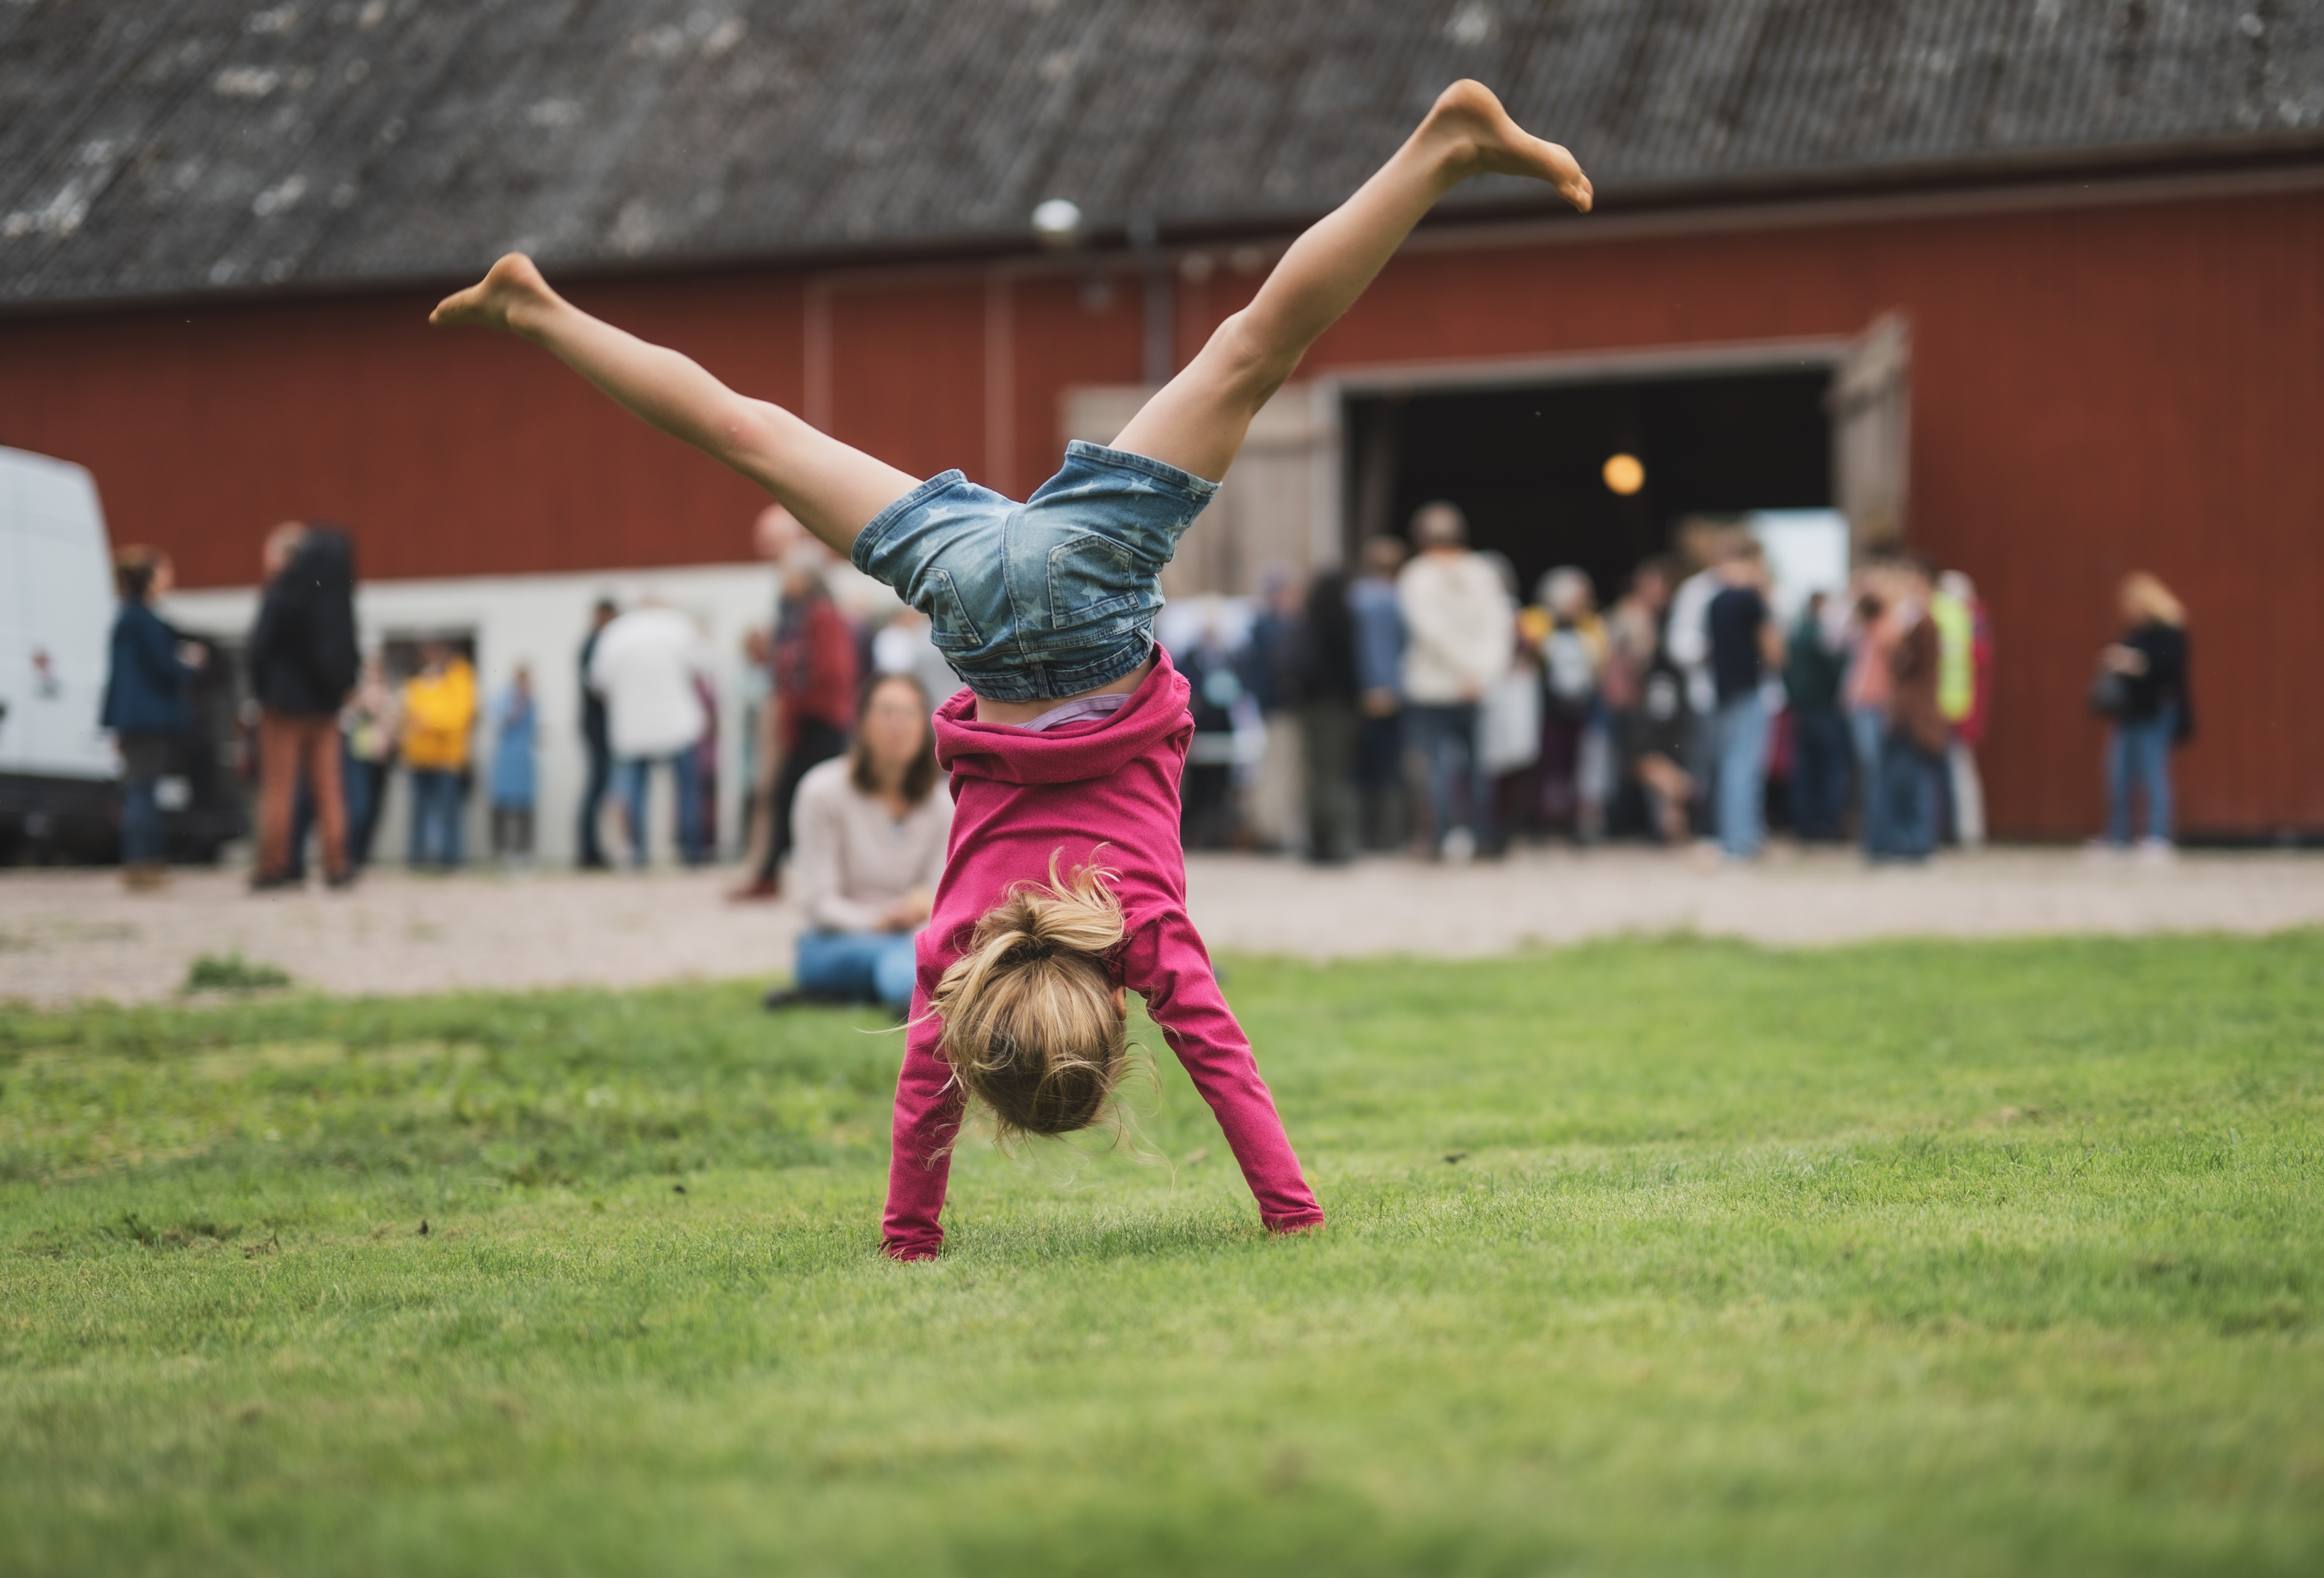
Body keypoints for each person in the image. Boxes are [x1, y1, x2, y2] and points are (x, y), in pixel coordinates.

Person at [430, 75, 1592, 1257]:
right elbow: (918, 1102)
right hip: (974, 601)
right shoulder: (958, 946)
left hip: (1090, 590)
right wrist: (907, 1232)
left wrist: (1293, 1210)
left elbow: (1227, 1068)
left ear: (1103, 1019)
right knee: (753, 433)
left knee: (1252, 348)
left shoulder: (1138, 933)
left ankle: (1442, 147)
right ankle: (540, 311)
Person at [763, 673, 954, 1016]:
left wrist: (915, 914)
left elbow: (938, 896)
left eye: (911, 712)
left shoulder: (942, 804)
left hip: (911, 936)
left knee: (918, 952)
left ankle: (891, 990)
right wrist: (881, 919)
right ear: (862, 721)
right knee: (899, 959)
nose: (899, 724)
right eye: (887, 711)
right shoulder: (822, 791)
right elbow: (820, 902)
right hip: (833, 940)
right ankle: (915, 994)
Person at [737, 526, 859, 896]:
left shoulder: (819, 614)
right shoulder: (801, 615)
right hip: (808, 720)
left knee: (798, 796)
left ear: (805, 579)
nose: (782, 582)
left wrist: (800, 706)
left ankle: (773, 876)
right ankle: (771, 874)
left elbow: (830, 671)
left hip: (818, 721)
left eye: (788, 575)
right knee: (792, 796)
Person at [1396, 501, 1515, 860]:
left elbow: (1431, 632)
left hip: (1433, 687)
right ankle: (1484, 839)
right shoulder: (1484, 572)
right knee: (1479, 766)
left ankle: (1441, 840)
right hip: (1477, 687)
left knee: (1435, 766)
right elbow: (1500, 628)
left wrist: (1466, 670)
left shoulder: (1417, 575)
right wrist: (1483, 673)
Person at [245, 522, 360, 890]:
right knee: (330, 790)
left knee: (279, 789)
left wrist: (262, 692)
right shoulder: (331, 593)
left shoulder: (281, 594)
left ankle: (274, 866)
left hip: (282, 708)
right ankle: (337, 865)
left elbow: (258, 651)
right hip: (325, 708)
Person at [100, 546, 203, 890]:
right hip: (149, 717)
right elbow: (164, 667)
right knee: (143, 791)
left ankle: (141, 864)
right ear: (149, 578)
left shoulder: (127, 619)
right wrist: (187, 663)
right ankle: (143, 865)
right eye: (163, 571)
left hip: (133, 717)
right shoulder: (145, 621)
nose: (169, 578)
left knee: (138, 789)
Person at [589, 599, 711, 867]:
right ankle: (692, 854)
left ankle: (638, 856)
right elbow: (701, 668)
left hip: (631, 728)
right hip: (678, 724)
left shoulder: (615, 634)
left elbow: (598, 682)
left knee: (634, 794)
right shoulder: (678, 626)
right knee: (687, 792)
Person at [2096, 571, 2191, 858]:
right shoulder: (2136, 632)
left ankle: (2158, 836)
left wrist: (2134, 664)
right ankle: (2118, 836)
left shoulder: (2171, 630)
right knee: (2118, 773)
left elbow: (2170, 669)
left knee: (2153, 773)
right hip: (2130, 712)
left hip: (2156, 711)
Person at [1704, 540, 1784, 859]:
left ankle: (1733, 836)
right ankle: (1743, 841)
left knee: (1729, 766)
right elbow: (1773, 650)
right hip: (1749, 689)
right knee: (1746, 766)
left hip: (1723, 689)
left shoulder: (1715, 601)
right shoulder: (1752, 600)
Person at [1869, 559, 1946, 863]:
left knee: (1914, 783)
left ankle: (1918, 844)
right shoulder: (1914, 620)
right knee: (1902, 781)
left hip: (1914, 716)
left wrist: (1895, 639)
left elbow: (1905, 664)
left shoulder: (1922, 622)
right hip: (1904, 714)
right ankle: (1902, 842)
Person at [1290, 566, 1362, 864]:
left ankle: (1317, 842)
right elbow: (1353, 667)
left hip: (1310, 704)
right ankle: (1340, 842)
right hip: (1338, 706)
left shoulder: (1307, 620)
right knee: (1335, 775)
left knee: (1315, 774)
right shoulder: (1345, 621)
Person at [1530, 565, 1608, 840]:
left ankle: (1574, 823)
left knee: (1579, 769)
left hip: (1580, 708)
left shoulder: (1591, 626)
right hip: (1548, 708)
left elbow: (1600, 661)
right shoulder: (1539, 621)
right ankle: (1544, 821)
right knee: (1548, 767)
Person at [1348, 534, 1409, 850]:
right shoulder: (1405, 599)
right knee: (1392, 768)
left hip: (1363, 692)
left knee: (1359, 768)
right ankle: (1392, 836)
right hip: (1398, 692)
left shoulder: (1356, 599)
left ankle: (1361, 836)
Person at [401, 639, 478, 869]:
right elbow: (409, 717)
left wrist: (428, 721)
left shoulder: (458, 678)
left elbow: (458, 718)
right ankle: (418, 858)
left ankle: (450, 858)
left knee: (449, 811)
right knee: (420, 812)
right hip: (419, 757)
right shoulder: (416, 682)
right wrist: (431, 720)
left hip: (448, 758)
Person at [1931, 569, 1992, 850]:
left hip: (1960, 708)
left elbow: (1977, 660)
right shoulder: (1966, 618)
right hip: (1947, 705)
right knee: (1948, 771)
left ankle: (1968, 832)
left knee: (1960, 770)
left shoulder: (1971, 618)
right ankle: (1949, 829)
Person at [1782, 591, 1850, 842]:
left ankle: (1803, 824)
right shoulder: (1824, 636)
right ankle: (1828, 825)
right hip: (1825, 708)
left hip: (1802, 710)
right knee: (1831, 770)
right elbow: (1837, 672)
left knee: (1804, 769)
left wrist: (1795, 696)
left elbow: (1785, 669)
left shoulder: (1795, 634)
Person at [340, 653, 399, 869]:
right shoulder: (354, 695)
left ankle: (364, 856)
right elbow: (345, 723)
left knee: (375, 810)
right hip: (358, 757)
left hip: (381, 761)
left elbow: (395, 726)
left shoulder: (389, 696)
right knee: (359, 809)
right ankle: (351, 855)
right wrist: (362, 706)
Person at [576, 598, 618, 869]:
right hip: (598, 728)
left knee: (600, 789)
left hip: (600, 728)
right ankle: (588, 851)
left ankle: (593, 849)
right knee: (597, 788)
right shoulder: (595, 646)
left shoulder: (595, 644)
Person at [489, 663, 537, 863]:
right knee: (502, 808)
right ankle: (502, 851)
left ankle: (524, 852)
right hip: (506, 759)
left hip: (524, 760)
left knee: (525, 809)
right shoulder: (504, 700)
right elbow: (503, 720)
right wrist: (518, 702)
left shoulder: (533, 702)